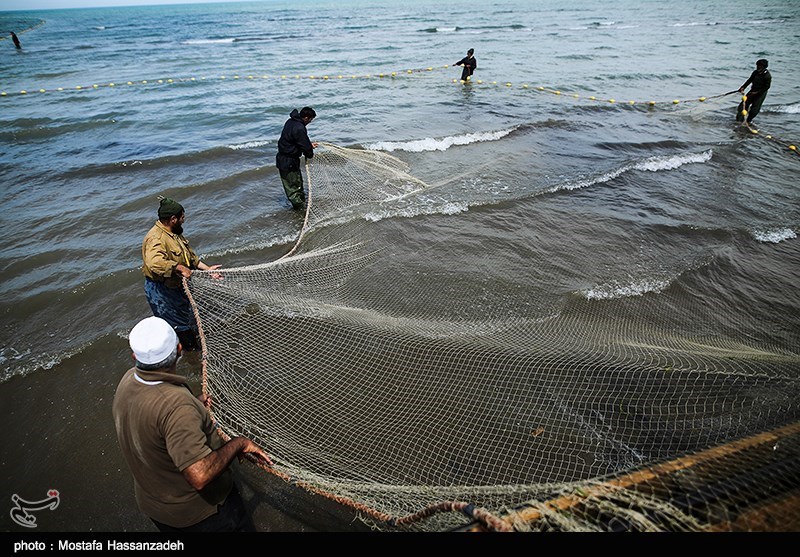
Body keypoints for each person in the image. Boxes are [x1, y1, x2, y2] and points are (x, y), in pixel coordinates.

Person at [113, 316, 273, 532]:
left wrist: (194, 406)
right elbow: (199, 475)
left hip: (157, 507)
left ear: (135, 356)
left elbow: (155, 419)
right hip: (201, 517)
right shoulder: (176, 407)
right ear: (179, 349)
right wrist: (240, 444)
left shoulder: (128, 380)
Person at [141, 197, 220, 351]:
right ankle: (191, 355)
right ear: (173, 219)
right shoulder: (155, 238)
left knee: (190, 319)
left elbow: (191, 258)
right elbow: (154, 263)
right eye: (182, 217)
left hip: (177, 286)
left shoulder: (174, 233)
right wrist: (180, 268)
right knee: (179, 326)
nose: (184, 220)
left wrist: (208, 269)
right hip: (161, 291)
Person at [276, 106, 318, 210]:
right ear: (307, 117)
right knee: (294, 187)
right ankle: (300, 210)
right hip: (288, 161)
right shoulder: (299, 127)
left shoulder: (291, 121)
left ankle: (300, 206)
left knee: (296, 183)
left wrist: (308, 145)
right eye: (310, 120)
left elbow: (294, 140)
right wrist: (309, 153)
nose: (310, 122)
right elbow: (305, 147)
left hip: (283, 158)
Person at [736, 59, 771, 124]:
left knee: (754, 110)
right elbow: (749, 80)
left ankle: (748, 121)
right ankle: (739, 121)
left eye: (760, 66)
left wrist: (756, 93)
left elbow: (766, 87)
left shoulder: (767, 76)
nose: (758, 67)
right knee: (742, 106)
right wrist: (743, 87)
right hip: (753, 90)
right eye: (757, 65)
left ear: (764, 67)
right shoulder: (755, 73)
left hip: (761, 93)